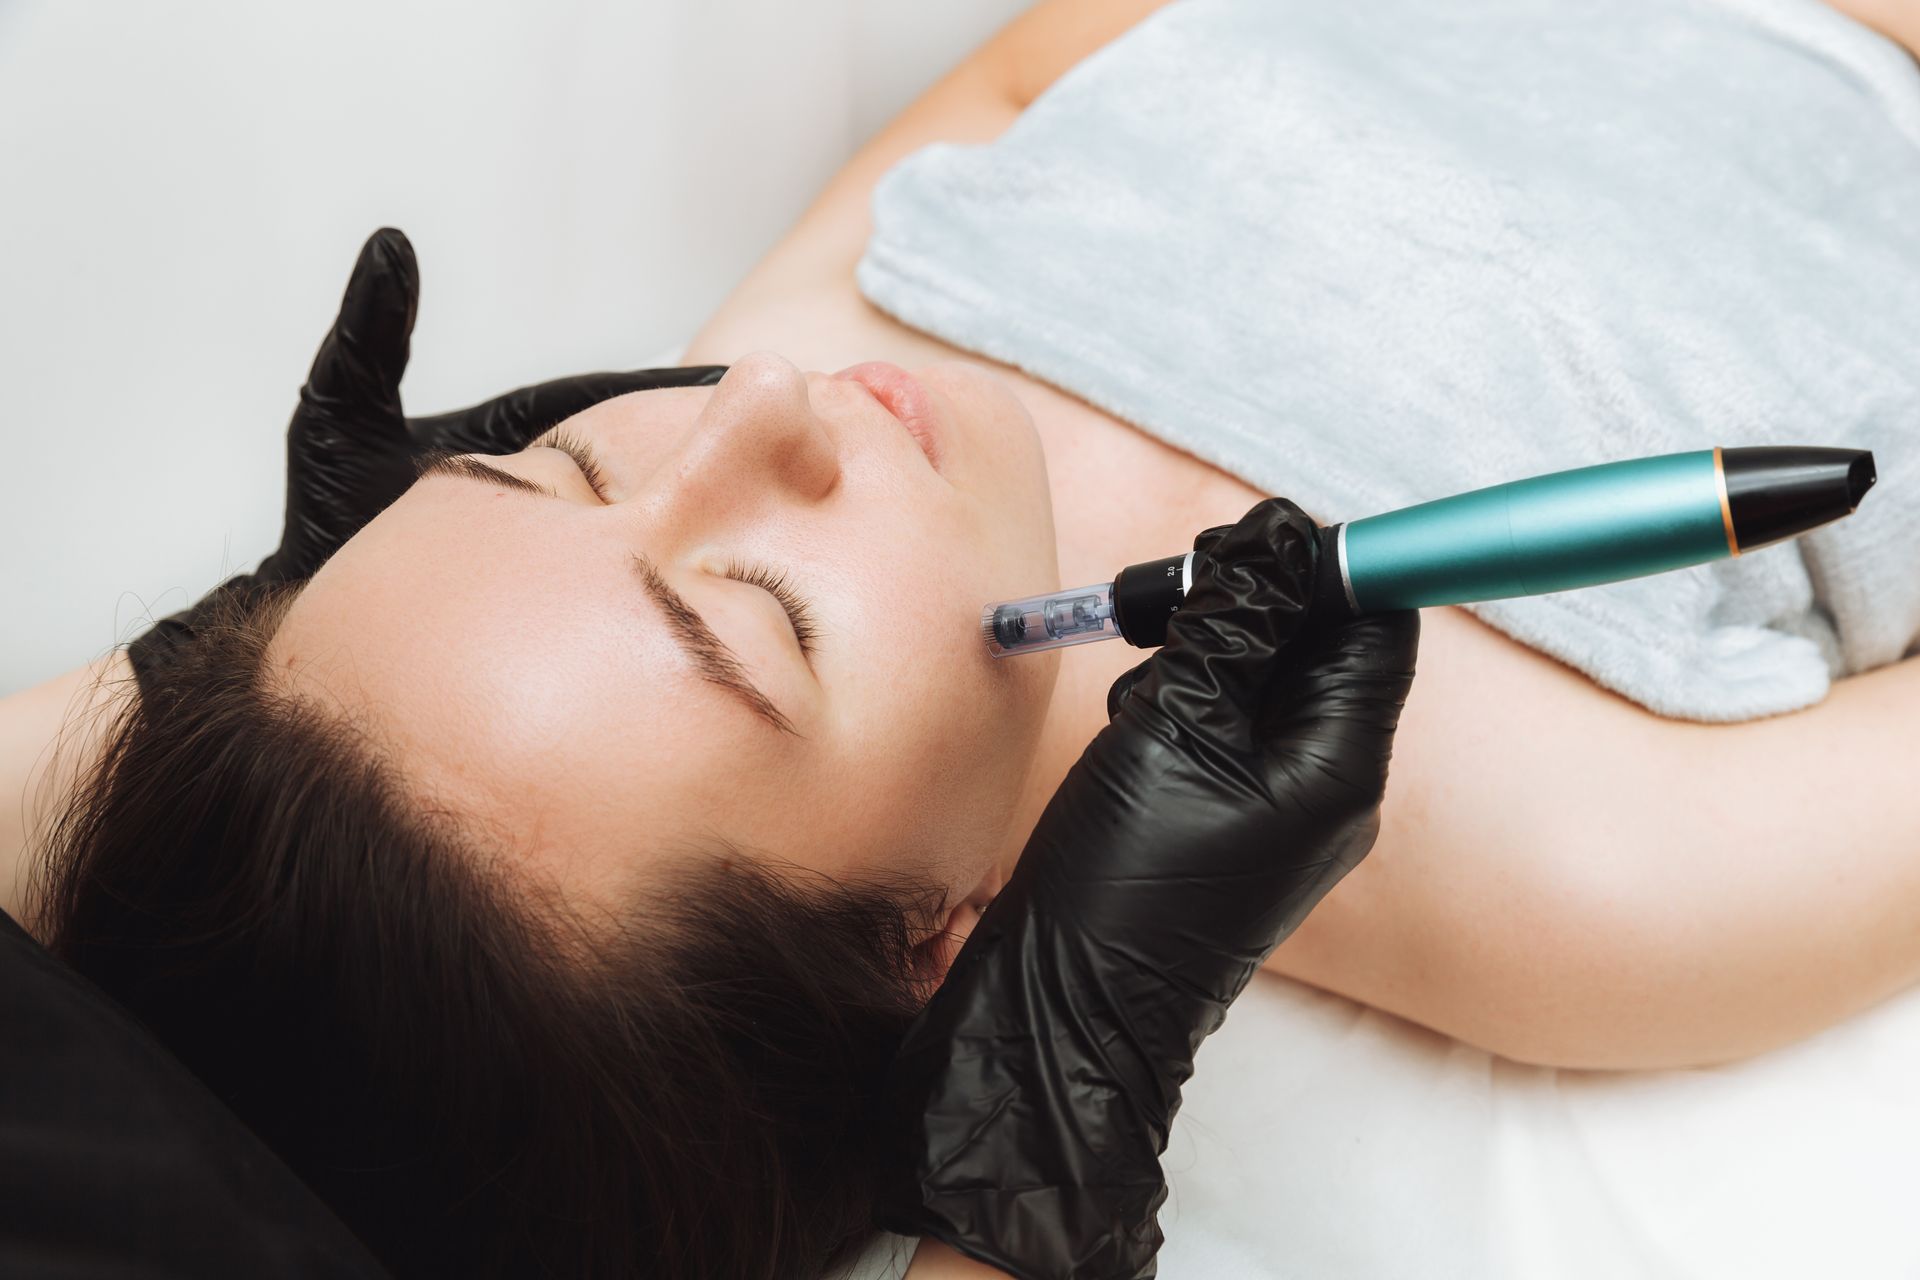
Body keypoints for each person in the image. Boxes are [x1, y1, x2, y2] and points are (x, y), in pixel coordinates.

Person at [2, 0, 1919, 1273]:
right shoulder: (1559, 878)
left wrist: (230, 658)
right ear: (937, 947)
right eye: (758, 610)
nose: (755, 411)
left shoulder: (797, 359)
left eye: (557, 466)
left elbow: (1059, 59)